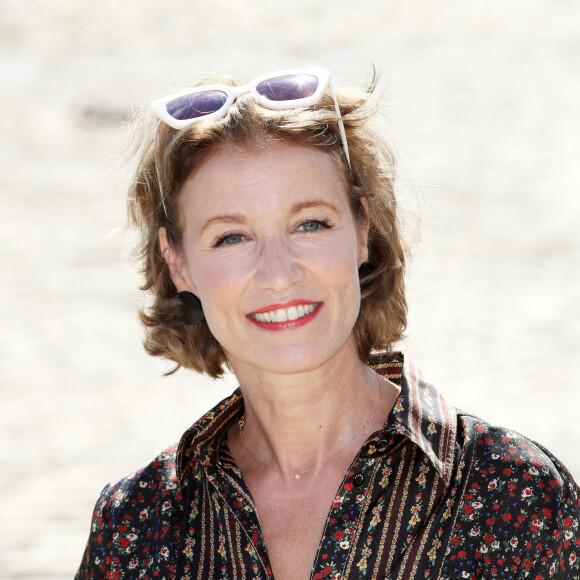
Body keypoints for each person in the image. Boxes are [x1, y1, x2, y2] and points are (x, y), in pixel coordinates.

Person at [76, 67, 579, 579]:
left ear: (362, 230)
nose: (278, 274)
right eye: (232, 237)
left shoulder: (517, 496)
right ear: (176, 261)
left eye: (310, 224)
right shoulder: (134, 530)